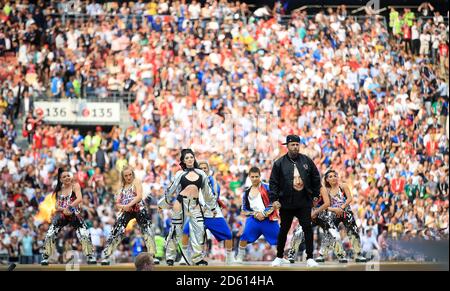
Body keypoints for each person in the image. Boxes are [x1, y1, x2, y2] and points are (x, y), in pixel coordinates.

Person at [158, 149, 216, 266]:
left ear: (194, 158)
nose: (189, 159)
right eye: (187, 158)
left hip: (195, 204)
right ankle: (170, 257)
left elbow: (207, 192)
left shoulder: (201, 174)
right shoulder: (180, 174)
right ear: (184, 161)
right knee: (175, 230)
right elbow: (171, 189)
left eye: (191, 157)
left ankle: (197, 258)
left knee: (199, 230)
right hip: (180, 203)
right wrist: (163, 203)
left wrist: (212, 208)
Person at [269, 135, 320, 267]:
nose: (295, 147)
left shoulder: (306, 160)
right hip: (286, 202)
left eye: (297, 144)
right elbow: (273, 183)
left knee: (307, 229)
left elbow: (316, 177)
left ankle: (310, 258)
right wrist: (274, 199)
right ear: (287, 146)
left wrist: (315, 195)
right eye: (293, 144)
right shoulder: (279, 163)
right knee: (284, 229)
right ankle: (279, 256)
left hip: (303, 201)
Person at [101, 166, 158, 265]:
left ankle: (153, 255)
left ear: (133, 174)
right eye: (126, 176)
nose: (128, 177)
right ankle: (107, 255)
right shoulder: (120, 187)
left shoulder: (136, 181)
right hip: (127, 210)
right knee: (117, 229)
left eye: (130, 174)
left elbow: (139, 196)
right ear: (123, 177)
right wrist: (123, 206)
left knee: (147, 229)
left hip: (139, 208)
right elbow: (117, 203)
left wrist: (128, 205)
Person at [181, 161, 234, 264]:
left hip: (212, 214)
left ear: (208, 169)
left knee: (228, 234)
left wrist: (204, 207)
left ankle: (229, 257)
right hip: (197, 214)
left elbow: (214, 197)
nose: (203, 169)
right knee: (185, 232)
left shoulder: (213, 182)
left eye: (205, 168)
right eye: (201, 168)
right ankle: (185, 256)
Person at [41, 167, 97, 265]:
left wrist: (69, 207)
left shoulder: (75, 186)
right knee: (51, 232)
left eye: (68, 175)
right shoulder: (59, 190)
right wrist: (64, 209)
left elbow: (79, 199)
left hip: (73, 213)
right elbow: (56, 206)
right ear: (61, 180)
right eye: (64, 176)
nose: (67, 177)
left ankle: (90, 255)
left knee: (83, 232)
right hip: (63, 214)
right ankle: (45, 256)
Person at [287, 180, 347, 263]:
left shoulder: (322, 189)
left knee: (334, 233)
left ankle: (340, 254)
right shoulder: (302, 189)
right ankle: (292, 253)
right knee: (298, 232)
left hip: (323, 214)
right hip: (308, 214)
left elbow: (327, 204)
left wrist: (315, 211)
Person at [235, 166, 279, 263]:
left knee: (280, 238)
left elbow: (274, 202)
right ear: (249, 177)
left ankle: (281, 257)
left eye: (256, 176)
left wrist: (263, 213)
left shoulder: (267, 187)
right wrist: (255, 214)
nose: (255, 179)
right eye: (252, 177)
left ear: (260, 176)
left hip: (269, 219)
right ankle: (240, 256)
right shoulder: (246, 192)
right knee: (244, 236)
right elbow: (244, 209)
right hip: (254, 219)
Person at [323, 169, 367, 262]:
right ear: (327, 179)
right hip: (334, 213)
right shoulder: (325, 191)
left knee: (353, 231)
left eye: (335, 175)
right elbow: (325, 206)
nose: (333, 177)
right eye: (330, 176)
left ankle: (358, 254)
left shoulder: (343, 186)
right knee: (331, 232)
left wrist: (341, 208)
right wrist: (335, 209)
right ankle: (339, 255)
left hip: (345, 211)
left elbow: (350, 198)